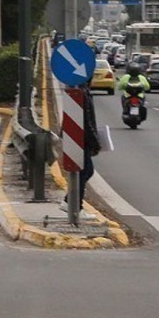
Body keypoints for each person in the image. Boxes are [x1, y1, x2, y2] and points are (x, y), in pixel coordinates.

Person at [59, 82, 101, 220]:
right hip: (80, 139)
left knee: (85, 171)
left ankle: (70, 202)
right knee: (84, 171)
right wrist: (95, 141)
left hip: (78, 137)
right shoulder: (80, 92)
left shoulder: (81, 90)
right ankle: (75, 206)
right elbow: (87, 121)